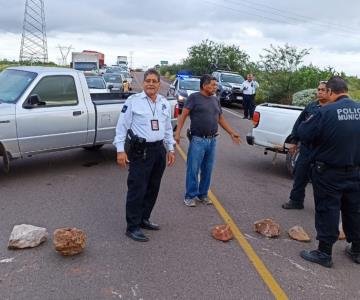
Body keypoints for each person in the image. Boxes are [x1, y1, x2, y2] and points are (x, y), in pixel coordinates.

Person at [297, 76, 360, 267]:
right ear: (346, 90)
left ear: (331, 92)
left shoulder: (326, 112)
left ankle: (324, 253)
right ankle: (357, 250)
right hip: (355, 172)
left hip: (329, 172)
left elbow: (304, 133)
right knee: (354, 211)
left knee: (328, 209)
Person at [113, 68, 176, 242]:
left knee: (153, 188)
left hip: (158, 151)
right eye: (147, 81)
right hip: (140, 152)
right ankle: (132, 227)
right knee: (137, 189)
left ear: (159, 84)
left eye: (154, 81)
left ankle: (144, 218)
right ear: (143, 83)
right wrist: (120, 150)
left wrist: (170, 148)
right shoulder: (133, 101)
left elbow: (168, 128)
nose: (150, 84)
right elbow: (121, 127)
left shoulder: (164, 102)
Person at [175, 74, 241, 207]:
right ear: (204, 85)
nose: (215, 87)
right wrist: (177, 133)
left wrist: (231, 133)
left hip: (212, 141)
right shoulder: (194, 98)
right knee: (193, 169)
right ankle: (190, 196)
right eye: (212, 85)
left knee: (207, 169)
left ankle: (203, 195)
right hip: (198, 140)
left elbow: (220, 118)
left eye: (215, 85)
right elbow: (183, 116)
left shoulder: (215, 99)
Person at [282, 81, 330, 209]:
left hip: (322, 151)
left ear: (329, 91)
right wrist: (293, 142)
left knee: (322, 181)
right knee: (300, 175)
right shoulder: (311, 106)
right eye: (318, 89)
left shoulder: (332, 108)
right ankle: (296, 201)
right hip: (306, 148)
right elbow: (299, 124)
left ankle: (323, 207)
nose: (319, 92)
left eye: (323, 90)